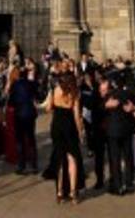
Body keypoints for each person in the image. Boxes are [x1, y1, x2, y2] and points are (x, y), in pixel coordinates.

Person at [45, 71, 85, 204]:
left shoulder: (55, 90)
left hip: (57, 126)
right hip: (70, 127)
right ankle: (73, 192)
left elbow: (48, 109)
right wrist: (80, 132)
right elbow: (77, 116)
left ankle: (60, 191)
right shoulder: (75, 93)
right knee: (72, 159)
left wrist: (54, 105)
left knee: (60, 159)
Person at [103, 75, 135, 196]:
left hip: (113, 130)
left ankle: (118, 186)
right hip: (126, 129)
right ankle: (129, 183)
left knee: (115, 158)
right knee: (128, 156)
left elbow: (104, 107)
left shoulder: (109, 95)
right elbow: (133, 107)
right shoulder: (129, 94)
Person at [8, 64, 38, 173]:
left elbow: (11, 102)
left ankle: (22, 165)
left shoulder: (15, 85)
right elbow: (37, 96)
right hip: (30, 113)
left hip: (19, 114)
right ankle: (34, 165)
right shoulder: (31, 84)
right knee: (31, 139)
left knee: (20, 140)